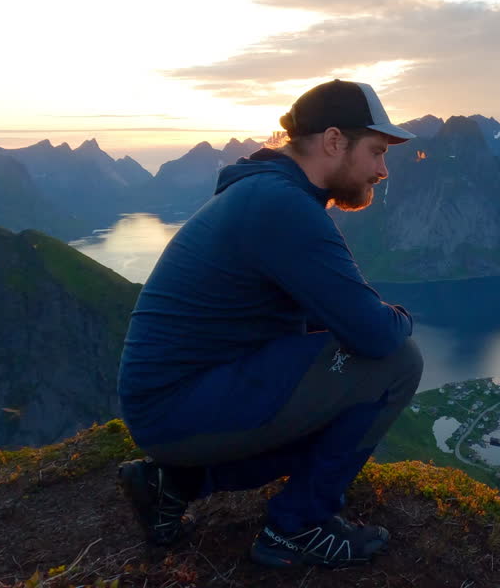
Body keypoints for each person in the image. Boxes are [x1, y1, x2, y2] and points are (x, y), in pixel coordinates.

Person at [115, 79, 422, 569]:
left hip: (174, 402)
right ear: (334, 141)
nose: (383, 170)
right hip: (178, 408)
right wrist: (402, 317)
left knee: (335, 377)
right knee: (397, 362)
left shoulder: (265, 192)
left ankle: (174, 485)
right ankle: (297, 527)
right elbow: (375, 334)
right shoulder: (282, 207)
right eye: (377, 152)